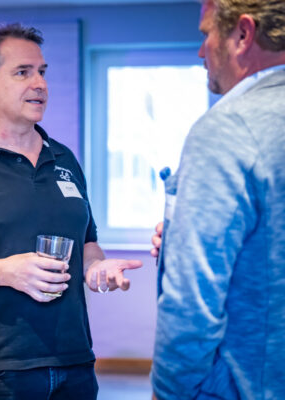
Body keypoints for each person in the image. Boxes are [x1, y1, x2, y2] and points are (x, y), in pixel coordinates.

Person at [0, 24, 142, 399]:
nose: (39, 83)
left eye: (42, 72)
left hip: (74, 363)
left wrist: (95, 269)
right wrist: (2, 271)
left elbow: (87, 241)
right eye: (23, 72)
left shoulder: (64, 159)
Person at [151, 0, 285, 398]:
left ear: (242, 34)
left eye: (207, 33)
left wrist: (168, 389)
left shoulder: (228, 129)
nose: (201, 50)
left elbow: (193, 299)